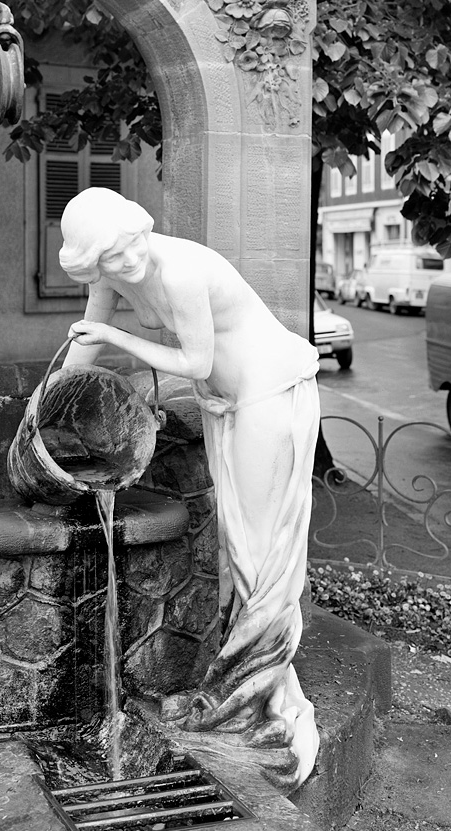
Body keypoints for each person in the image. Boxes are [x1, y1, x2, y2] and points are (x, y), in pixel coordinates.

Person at [58, 187, 320, 791]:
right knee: (236, 544)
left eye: (133, 245)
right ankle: (245, 684)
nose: (130, 263)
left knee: (260, 548)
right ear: (93, 262)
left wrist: (121, 341)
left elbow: (197, 361)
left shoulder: (179, 270)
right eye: (114, 260)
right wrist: (48, 397)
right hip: (227, 402)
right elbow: (89, 333)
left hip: (268, 390)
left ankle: (260, 700)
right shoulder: (114, 273)